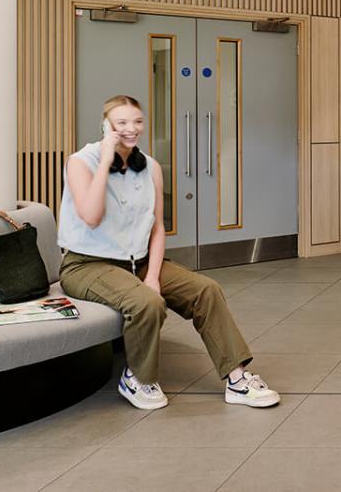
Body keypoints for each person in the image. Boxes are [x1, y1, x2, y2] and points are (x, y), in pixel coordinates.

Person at [58, 94, 281, 410]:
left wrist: (151, 275)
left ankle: (237, 380)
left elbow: (158, 227)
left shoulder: (149, 167)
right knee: (147, 302)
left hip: (138, 260)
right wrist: (107, 160)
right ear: (105, 126)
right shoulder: (81, 162)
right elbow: (91, 215)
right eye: (121, 123)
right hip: (88, 264)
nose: (131, 129)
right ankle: (137, 377)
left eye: (137, 121)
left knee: (206, 290)